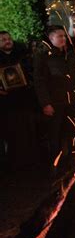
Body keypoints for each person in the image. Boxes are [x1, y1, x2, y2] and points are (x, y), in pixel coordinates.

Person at [34, 26, 75, 172]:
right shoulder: (44, 57)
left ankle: (74, 163)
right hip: (55, 103)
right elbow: (39, 81)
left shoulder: (71, 54)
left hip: (74, 101)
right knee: (55, 135)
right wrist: (46, 103)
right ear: (51, 39)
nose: (63, 39)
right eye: (59, 36)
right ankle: (55, 165)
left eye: (64, 36)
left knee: (74, 132)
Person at [0, 31, 38, 170]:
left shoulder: (22, 56)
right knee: (12, 134)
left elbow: (32, 74)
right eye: (3, 39)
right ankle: (15, 165)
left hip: (25, 100)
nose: (7, 41)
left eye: (9, 38)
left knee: (29, 131)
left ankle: (31, 162)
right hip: (6, 104)